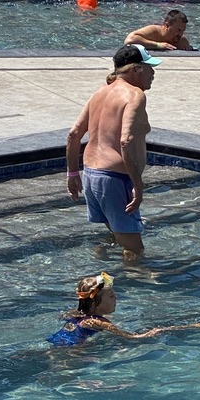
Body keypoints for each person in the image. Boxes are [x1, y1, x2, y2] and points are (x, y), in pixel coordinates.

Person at [65, 44, 161, 262]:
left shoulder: (100, 92)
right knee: (135, 253)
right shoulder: (135, 95)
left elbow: (73, 135)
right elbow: (126, 141)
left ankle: (102, 275)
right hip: (115, 180)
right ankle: (134, 291)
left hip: (90, 176)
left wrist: (72, 174)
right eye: (150, 68)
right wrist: (138, 185)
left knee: (116, 239)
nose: (153, 73)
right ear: (136, 69)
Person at [47, 272, 161, 346]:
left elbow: (62, 318)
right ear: (94, 303)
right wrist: (152, 333)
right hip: (73, 350)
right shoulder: (101, 322)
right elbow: (130, 337)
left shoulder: (73, 313)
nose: (116, 297)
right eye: (111, 296)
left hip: (56, 341)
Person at [124, 8, 193, 51]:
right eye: (178, 30)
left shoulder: (182, 41)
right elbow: (129, 41)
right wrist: (158, 45)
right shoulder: (154, 31)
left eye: (183, 31)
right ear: (167, 25)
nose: (180, 34)